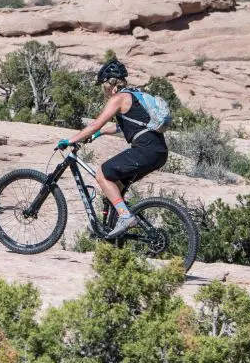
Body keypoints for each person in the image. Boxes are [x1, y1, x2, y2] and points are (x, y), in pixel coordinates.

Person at [56, 59, 169, 238]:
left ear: (109, 83)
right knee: (114, 186)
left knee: (102, 174)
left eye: (103, 84)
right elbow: (122, 127)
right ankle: (113, 230)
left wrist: (71, 140)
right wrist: (99, 134)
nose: (102, 89)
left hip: (145, 150)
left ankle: (125, 217)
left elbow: (95, 124)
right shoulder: (134, 95)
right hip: (158, 151)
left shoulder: (119, 98)